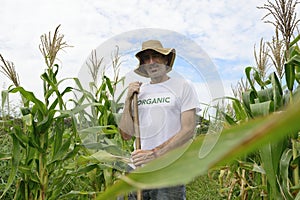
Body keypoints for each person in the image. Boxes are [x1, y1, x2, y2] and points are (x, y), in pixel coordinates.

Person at [119, 40, 199, 200]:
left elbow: (188, 130)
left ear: (166, 60)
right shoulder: (138, 92)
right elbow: (126, 135)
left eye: (156, 56)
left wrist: (154, 154)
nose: (151, 62)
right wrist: (128, 100)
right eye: (146, 59)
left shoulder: (183, 86)